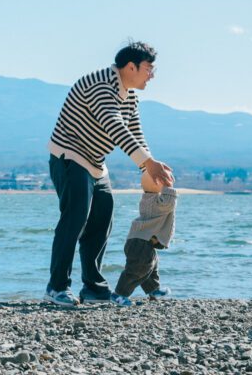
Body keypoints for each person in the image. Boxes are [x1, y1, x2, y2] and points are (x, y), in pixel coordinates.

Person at [44, 41, 174, 307]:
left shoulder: (128, 94)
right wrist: (148, 163)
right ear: (130, 66)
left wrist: (149, 169)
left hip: (95, 162)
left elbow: (135, 132)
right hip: (69, 156)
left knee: (102, 220)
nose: (152, 75)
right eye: (149, 68)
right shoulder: (101, 85)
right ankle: (56, 288)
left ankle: (93, 288)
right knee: (74, 219)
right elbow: (114, 126)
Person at [110, 172, 176, 306]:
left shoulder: (148, 199)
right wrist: (168, 186)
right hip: (140, 242)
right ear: (158, 184)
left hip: (141, 241)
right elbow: (169, 203)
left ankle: (154, 290)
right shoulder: (156, 203)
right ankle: (119, 294)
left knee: (150, 267)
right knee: (137, 270)